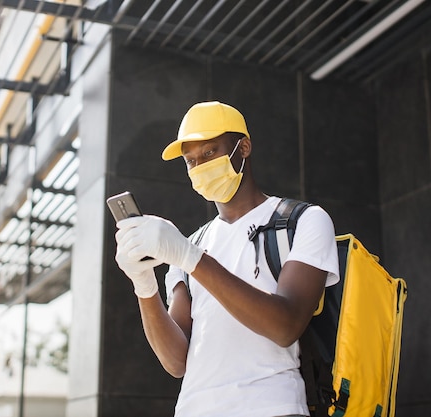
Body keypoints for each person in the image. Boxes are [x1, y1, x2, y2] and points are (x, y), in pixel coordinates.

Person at [114, 101, 339, 417]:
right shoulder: (191, 244)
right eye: (191, 161)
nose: (200, 166)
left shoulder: (303, 221)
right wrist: (144, 285)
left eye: (209, 153)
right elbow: (177, 362)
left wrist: (192, 259)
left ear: (243, 147)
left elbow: (286, 326)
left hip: (272, 407)